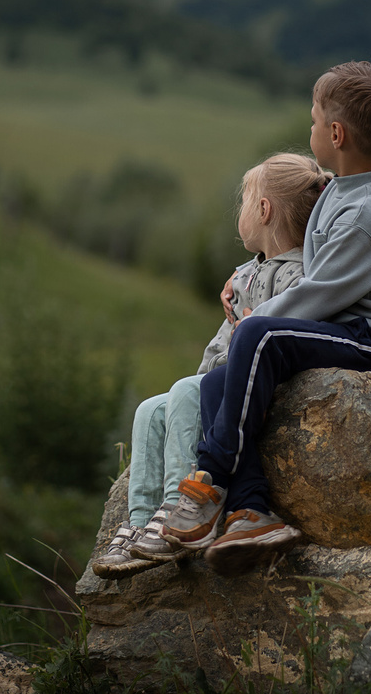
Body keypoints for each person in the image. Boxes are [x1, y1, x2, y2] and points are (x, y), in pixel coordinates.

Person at [161, 61, 371, 575]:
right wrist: (245, 281)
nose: (310, 130)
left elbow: (318, 294)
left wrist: (251, 321)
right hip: (334, 331)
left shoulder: (368, 214)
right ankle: (251, 512)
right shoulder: (343, 190)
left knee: (258, 335)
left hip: (370, 341)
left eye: (314, 121)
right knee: (217, 383)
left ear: (336, 134)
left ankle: (209, 478)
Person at [90, 152, 327, 578]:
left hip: (251, 389)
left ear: (263, 210)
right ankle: (140, 522)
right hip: (216, 383)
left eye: (244, 201)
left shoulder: (300, 278)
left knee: (184, 390)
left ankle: (179, 512)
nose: (240, 210)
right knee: (149, 410)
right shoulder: (246, 274)